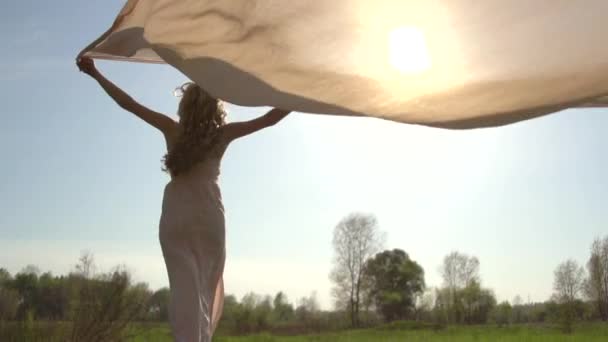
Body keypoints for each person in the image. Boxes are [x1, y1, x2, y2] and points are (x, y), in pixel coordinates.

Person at [77, 57, 290, 342]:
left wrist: (95, 73)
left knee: (184, 290)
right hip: (209, 219)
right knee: (205, 286)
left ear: (185, 106)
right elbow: (271, 118)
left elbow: (127, 103)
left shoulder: (172, 129)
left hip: (178, 217)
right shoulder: (223, 135)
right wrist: (307, 91)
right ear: (216, 108)